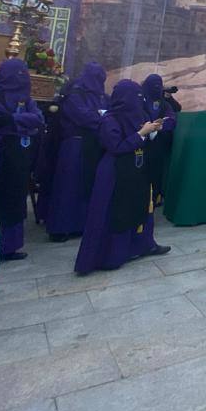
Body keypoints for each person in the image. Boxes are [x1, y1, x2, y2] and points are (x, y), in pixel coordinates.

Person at [74, 80, 171, 274]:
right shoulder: (110, 120)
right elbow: (116, 147)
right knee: (114, 211)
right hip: (115, 172)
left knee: (140, 207)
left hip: (137, 169)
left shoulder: (138, 115)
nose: (139, 101)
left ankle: (143, 245)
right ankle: (111, 254)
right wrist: (141, 133)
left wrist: (151, 131)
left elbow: (141, 140)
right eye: (135, 98)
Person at [0, 59, 44, 260]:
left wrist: (13, 121)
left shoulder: (25, 98)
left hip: (16, 156)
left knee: (13, 201)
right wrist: (21, 123)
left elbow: (38, 119)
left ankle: (7, 247)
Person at [46, 62, 107, 242]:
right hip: (74, 145)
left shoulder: (100, 95)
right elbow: (83, 116)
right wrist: (101, 117)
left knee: (85, 185)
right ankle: (60, 227)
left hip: (93, 145)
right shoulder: (74, 94)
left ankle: (80, 224)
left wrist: (101, 116)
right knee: (68, 186)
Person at [141, 74, 177, 205]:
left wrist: (159, 126)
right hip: (140, 142)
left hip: (158, 143)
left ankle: (155, 197)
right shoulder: (140, 100)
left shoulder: (164, 103)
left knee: (156, 171)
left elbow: (172, 119)